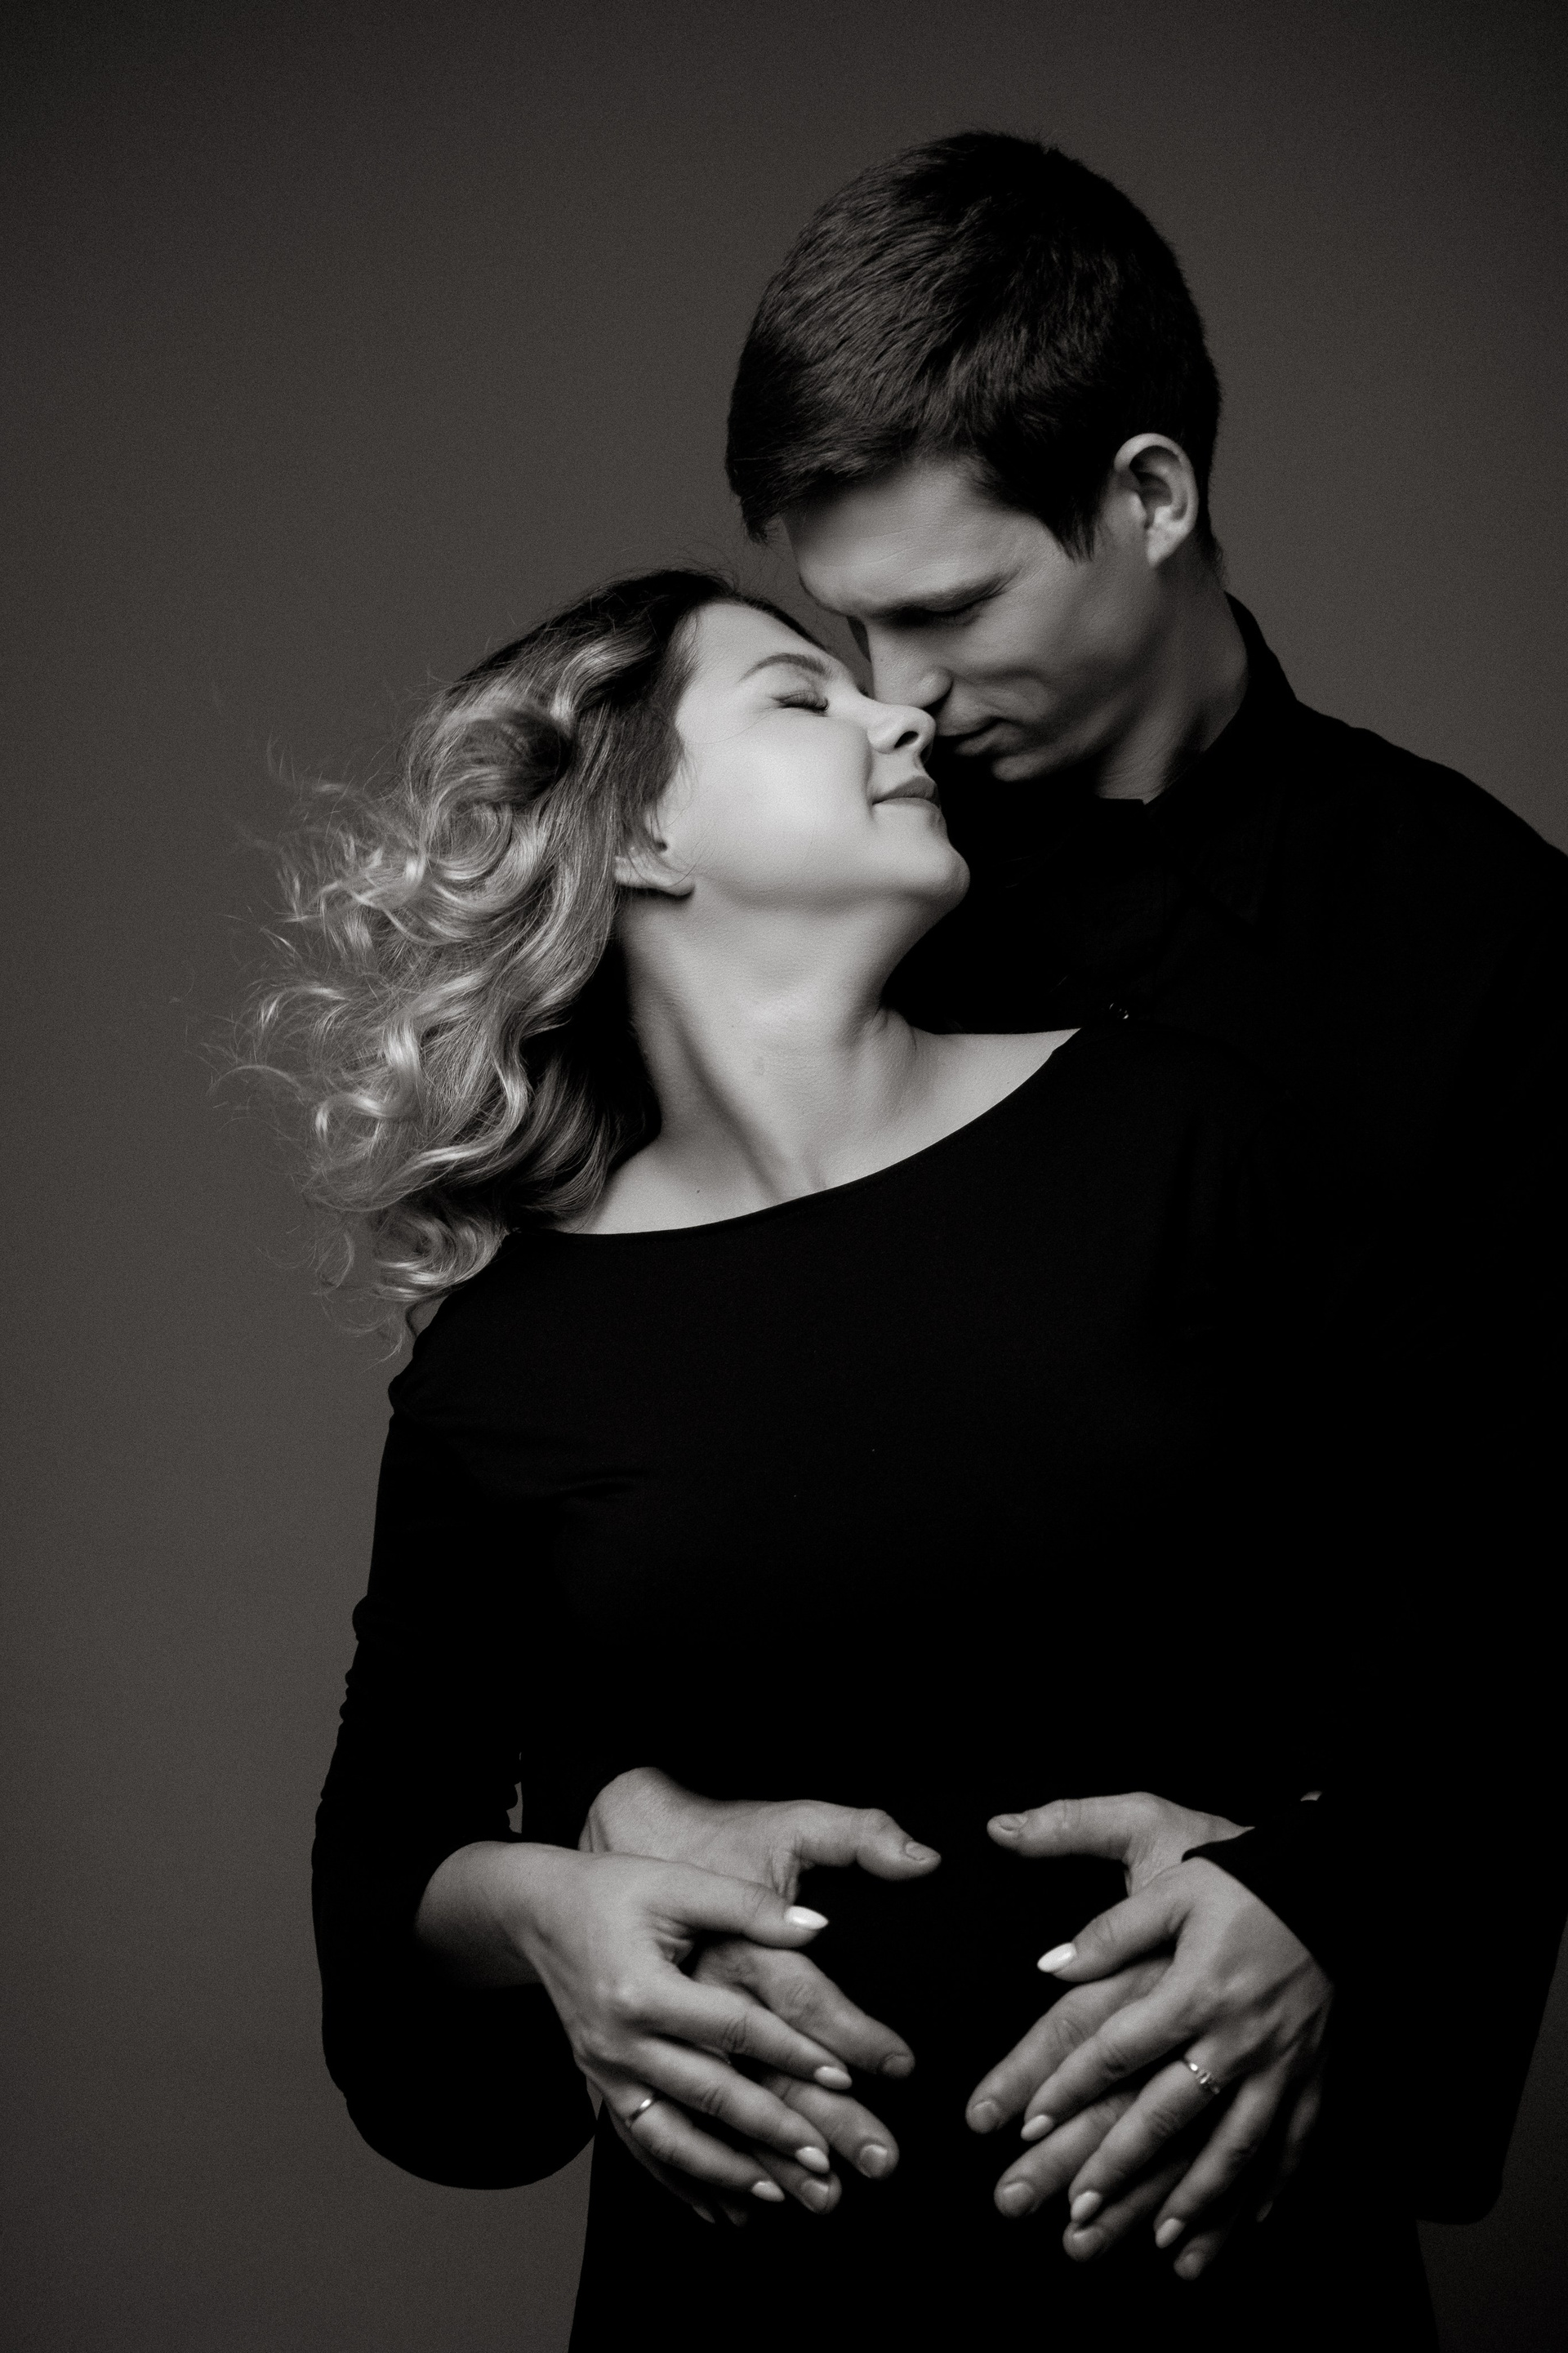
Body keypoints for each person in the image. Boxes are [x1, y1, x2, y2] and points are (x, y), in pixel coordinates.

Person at [268, 568, 1390, 2348]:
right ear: (638, 833)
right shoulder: (509, 1355)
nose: (900, 711)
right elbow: (384, 1882)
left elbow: (1490, 1642)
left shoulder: (1180, 1135)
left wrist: (1328, 1896)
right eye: (803, 696)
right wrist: (551, 1902)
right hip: (744, 2302)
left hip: (1228, 2278)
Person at [702, 126, 1566, 2266]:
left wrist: (1337, 1900)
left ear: (1152, 497)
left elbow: (1557, 1541)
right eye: (844, 624)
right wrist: (605, 1798)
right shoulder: (825, 893)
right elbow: (620, 1424)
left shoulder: (1487, 932)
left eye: (943, 608)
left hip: (1230, 2145)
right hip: (799, 2112)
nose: (891, 695)